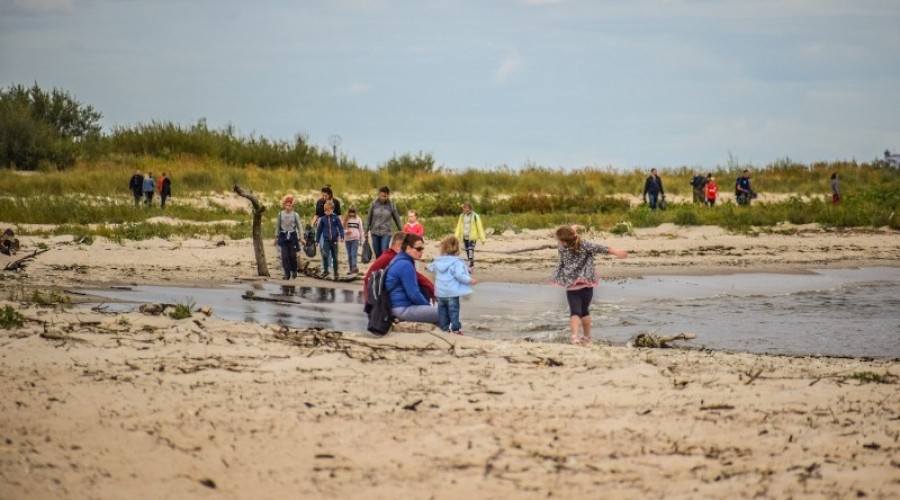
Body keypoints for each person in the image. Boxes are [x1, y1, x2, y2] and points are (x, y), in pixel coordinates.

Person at [551, 225, 627, 345]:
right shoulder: (584, 244)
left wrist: (572, 229)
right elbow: (601, 248)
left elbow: (567, 238)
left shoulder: (561, 248)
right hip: (587, 284)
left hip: (572, 286)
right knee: (585, 311)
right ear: (574, 236)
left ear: (563, 241)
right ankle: (587, 338)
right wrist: (616, 252)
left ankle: (575, 337)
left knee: (575, 312)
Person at [363, 231, 435, 308]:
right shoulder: (394, 258)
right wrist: (433, 291)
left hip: (373, 294)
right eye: (406, 245)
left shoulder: (390, 255)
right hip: (374, 297)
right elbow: (417, 278)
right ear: (398, 246)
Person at [426, 236, 477, 335]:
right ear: (457, 248)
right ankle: (455, 329)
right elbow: (459, 275)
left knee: (442, 311)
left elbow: (430, 267)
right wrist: (470, 280)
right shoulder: (457, 262)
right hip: (452, 292)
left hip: (440, 292)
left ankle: (444, 328)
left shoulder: (438, 261)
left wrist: (427, 266)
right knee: (453, 311)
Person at [385, 233, 439, 324]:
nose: (421, 252)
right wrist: (427, 306)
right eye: (418, 249)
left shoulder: (399, 260)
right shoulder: (405, 265)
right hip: (401, 309)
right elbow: (414, 294)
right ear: (408, 248)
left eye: (422, 249)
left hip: (396, 307)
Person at [365, 186, 402, 258]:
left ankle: (385, 268)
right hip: (374, 232)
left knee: (384, 252)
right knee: (377, 253)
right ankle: (379, 268)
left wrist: (401, 230)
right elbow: (369, 217)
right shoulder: (373, 203)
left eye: (384, 196)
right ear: (379, 194)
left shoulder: (391, 205)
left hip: (386, 232)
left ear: (388, 195)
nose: (382, 197)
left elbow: (397, 218)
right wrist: (366, 230)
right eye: (381, 195)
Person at [275, 195, 303, 280]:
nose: (287, 207)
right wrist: (276, 237)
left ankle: (294, 270)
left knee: (292, 255)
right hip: (283, 236)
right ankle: (286, 273)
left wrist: (301, 237)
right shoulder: (280, 214)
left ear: (292, 206)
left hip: (292, 236)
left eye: (289, 205)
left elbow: (299, 227)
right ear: (284, 205)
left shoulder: (295, 215)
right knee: (284, 256)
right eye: (286, 205)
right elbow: (277, 226)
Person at [315, 200, 344, 279]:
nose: (326, 212)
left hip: (334, 241)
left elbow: (341, 227)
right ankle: (325, 271)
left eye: (328, 210)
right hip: (326, 241)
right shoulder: (323, 219)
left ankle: (336, 273)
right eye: (325, 211)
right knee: (325, 255)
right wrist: (317, 241)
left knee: (335, 257)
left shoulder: (336, 218)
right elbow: (319, 230)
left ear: (332, 209)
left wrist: (342, 236)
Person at [454, 202, 486, 270]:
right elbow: (458, 226)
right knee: (467, 250)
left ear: (469, 208)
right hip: (465, 236)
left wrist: (483, 239)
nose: (464, 209)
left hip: (472, 237)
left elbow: (479, 227)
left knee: (470, 250)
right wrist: (455, 236)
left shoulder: (475, 216)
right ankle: (470, 263)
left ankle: (471, 265)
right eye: (463, 207)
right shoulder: (461, 216)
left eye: (465, 207)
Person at [342, 205, 364, 275]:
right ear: (348, 212)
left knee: (353, 254)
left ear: (355, 212)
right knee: (349, 255)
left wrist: (361, 240)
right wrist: (346, 232)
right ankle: (351, 268)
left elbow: (361, 230)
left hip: (355, 239)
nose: (351, 214)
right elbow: (342, 229)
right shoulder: (346, 219)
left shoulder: (358, 219)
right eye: (350, 212)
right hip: (347, 239)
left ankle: (354, 267)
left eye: (353, 212)